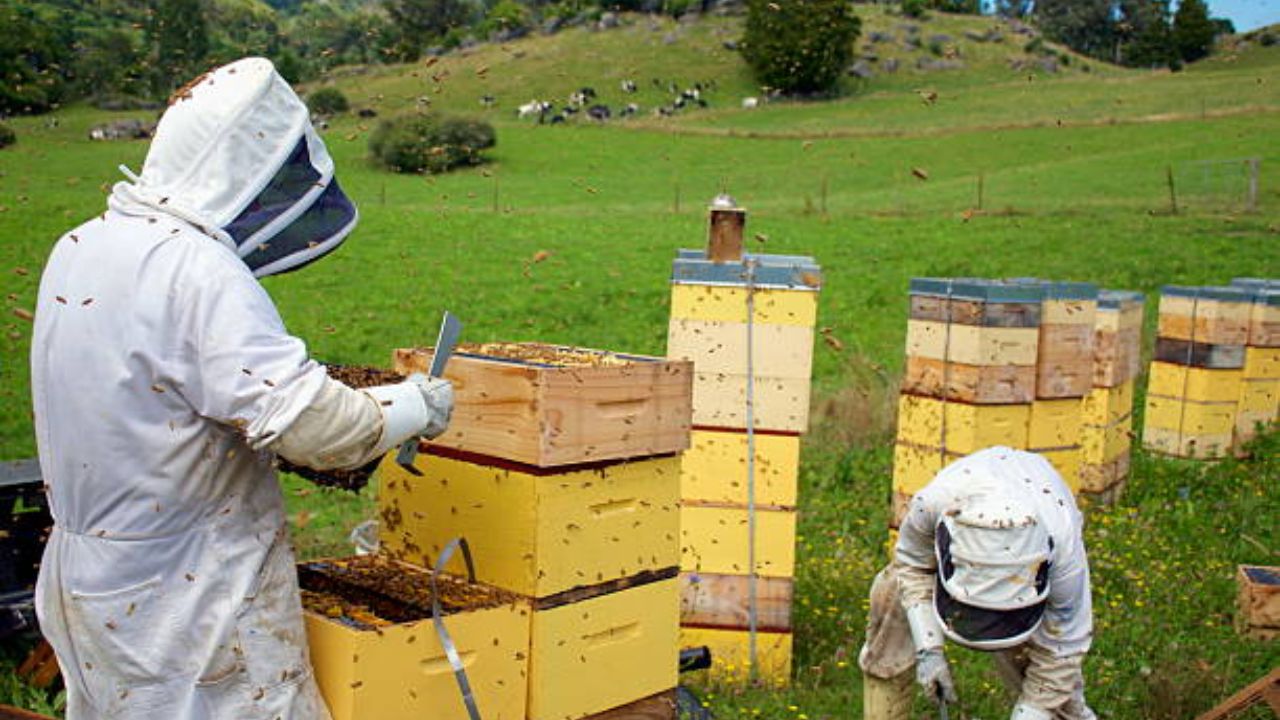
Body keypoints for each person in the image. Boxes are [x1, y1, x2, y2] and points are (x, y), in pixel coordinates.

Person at [30, 57, 453, 719]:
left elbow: (172, 386)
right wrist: (414, 404)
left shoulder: (84, 244)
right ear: (240, 167)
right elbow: (315, 429)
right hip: (190, 591)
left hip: (93, 578)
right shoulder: (192, 265)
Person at [860, 446, 1096, 720]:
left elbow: (1062, 649)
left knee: (1053, 686)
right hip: (967, 505)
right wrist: (929, 650)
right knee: (891, 592)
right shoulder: (932, 504)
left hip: (1043, 504)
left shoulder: (1064, 554)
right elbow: (912, 566)